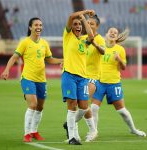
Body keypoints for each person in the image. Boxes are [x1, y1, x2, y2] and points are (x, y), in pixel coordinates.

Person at [1, 17, 63, 142]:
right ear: (30, 27)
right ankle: (27, 133)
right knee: (33, 104)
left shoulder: (44, 43)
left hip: (41, 80)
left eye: (40, 25)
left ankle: (34, 131)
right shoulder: (25, 42)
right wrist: (7, 70)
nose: (39, 27)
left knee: (40, 107)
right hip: (28, 78)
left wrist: (63, 60)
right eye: (36, 25)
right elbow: (14, 58)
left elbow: (49, 59)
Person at [90, 27, 146, 137]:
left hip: (114, 83)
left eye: (115, 33)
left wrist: (119, 59)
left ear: (117, 36)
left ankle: (133, 129)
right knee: (94, 108)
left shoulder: (120, 49)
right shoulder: (100, 46)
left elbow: (124, 67)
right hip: (99, 82)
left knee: (121, 110)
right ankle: (93, 131)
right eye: (110, 31)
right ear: (106, 34)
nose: (112, 33)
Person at [61, 10, 95, 145]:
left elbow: (91, 37)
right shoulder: (67, 36)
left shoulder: (83, 41)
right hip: (69, 75)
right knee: (72, 105)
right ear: (71, 27)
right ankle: (72, 137)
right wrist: (85, 12)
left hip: (83, 78)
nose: (77, 26)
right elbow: (70, 16)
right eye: (75, 24)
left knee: (84, 107)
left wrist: (84, 19)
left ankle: (69, 125)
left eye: (79, 24)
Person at [83, 14, 105, 142]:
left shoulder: (99, 39)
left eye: (92, 24)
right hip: (81, 76)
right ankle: (73, 131)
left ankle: (93, 130)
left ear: (97, 26)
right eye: (88, 23)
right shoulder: (83, 38)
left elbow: (103, 51)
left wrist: (95, 44)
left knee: (84, 102)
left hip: (93, 76)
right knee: (77, 104)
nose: (89, 25)